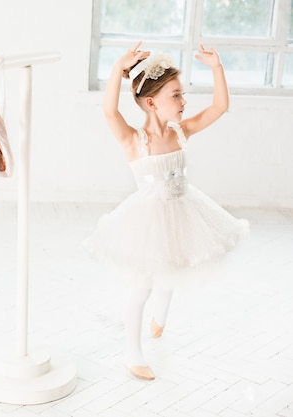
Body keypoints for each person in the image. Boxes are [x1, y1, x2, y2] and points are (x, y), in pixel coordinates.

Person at [83, 41, 249, 381]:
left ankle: (160, 320)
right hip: (148, 220)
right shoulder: (134, 140)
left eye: (182, 94)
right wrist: (118, 69)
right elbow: (109, 112)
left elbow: (219, 106)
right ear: (151, 102)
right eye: (176, 95)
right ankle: (132, 352)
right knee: (143, 285)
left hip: (183, 210)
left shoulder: (181, 131)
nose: (184, 102)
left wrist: (217, 67)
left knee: (174, 264)